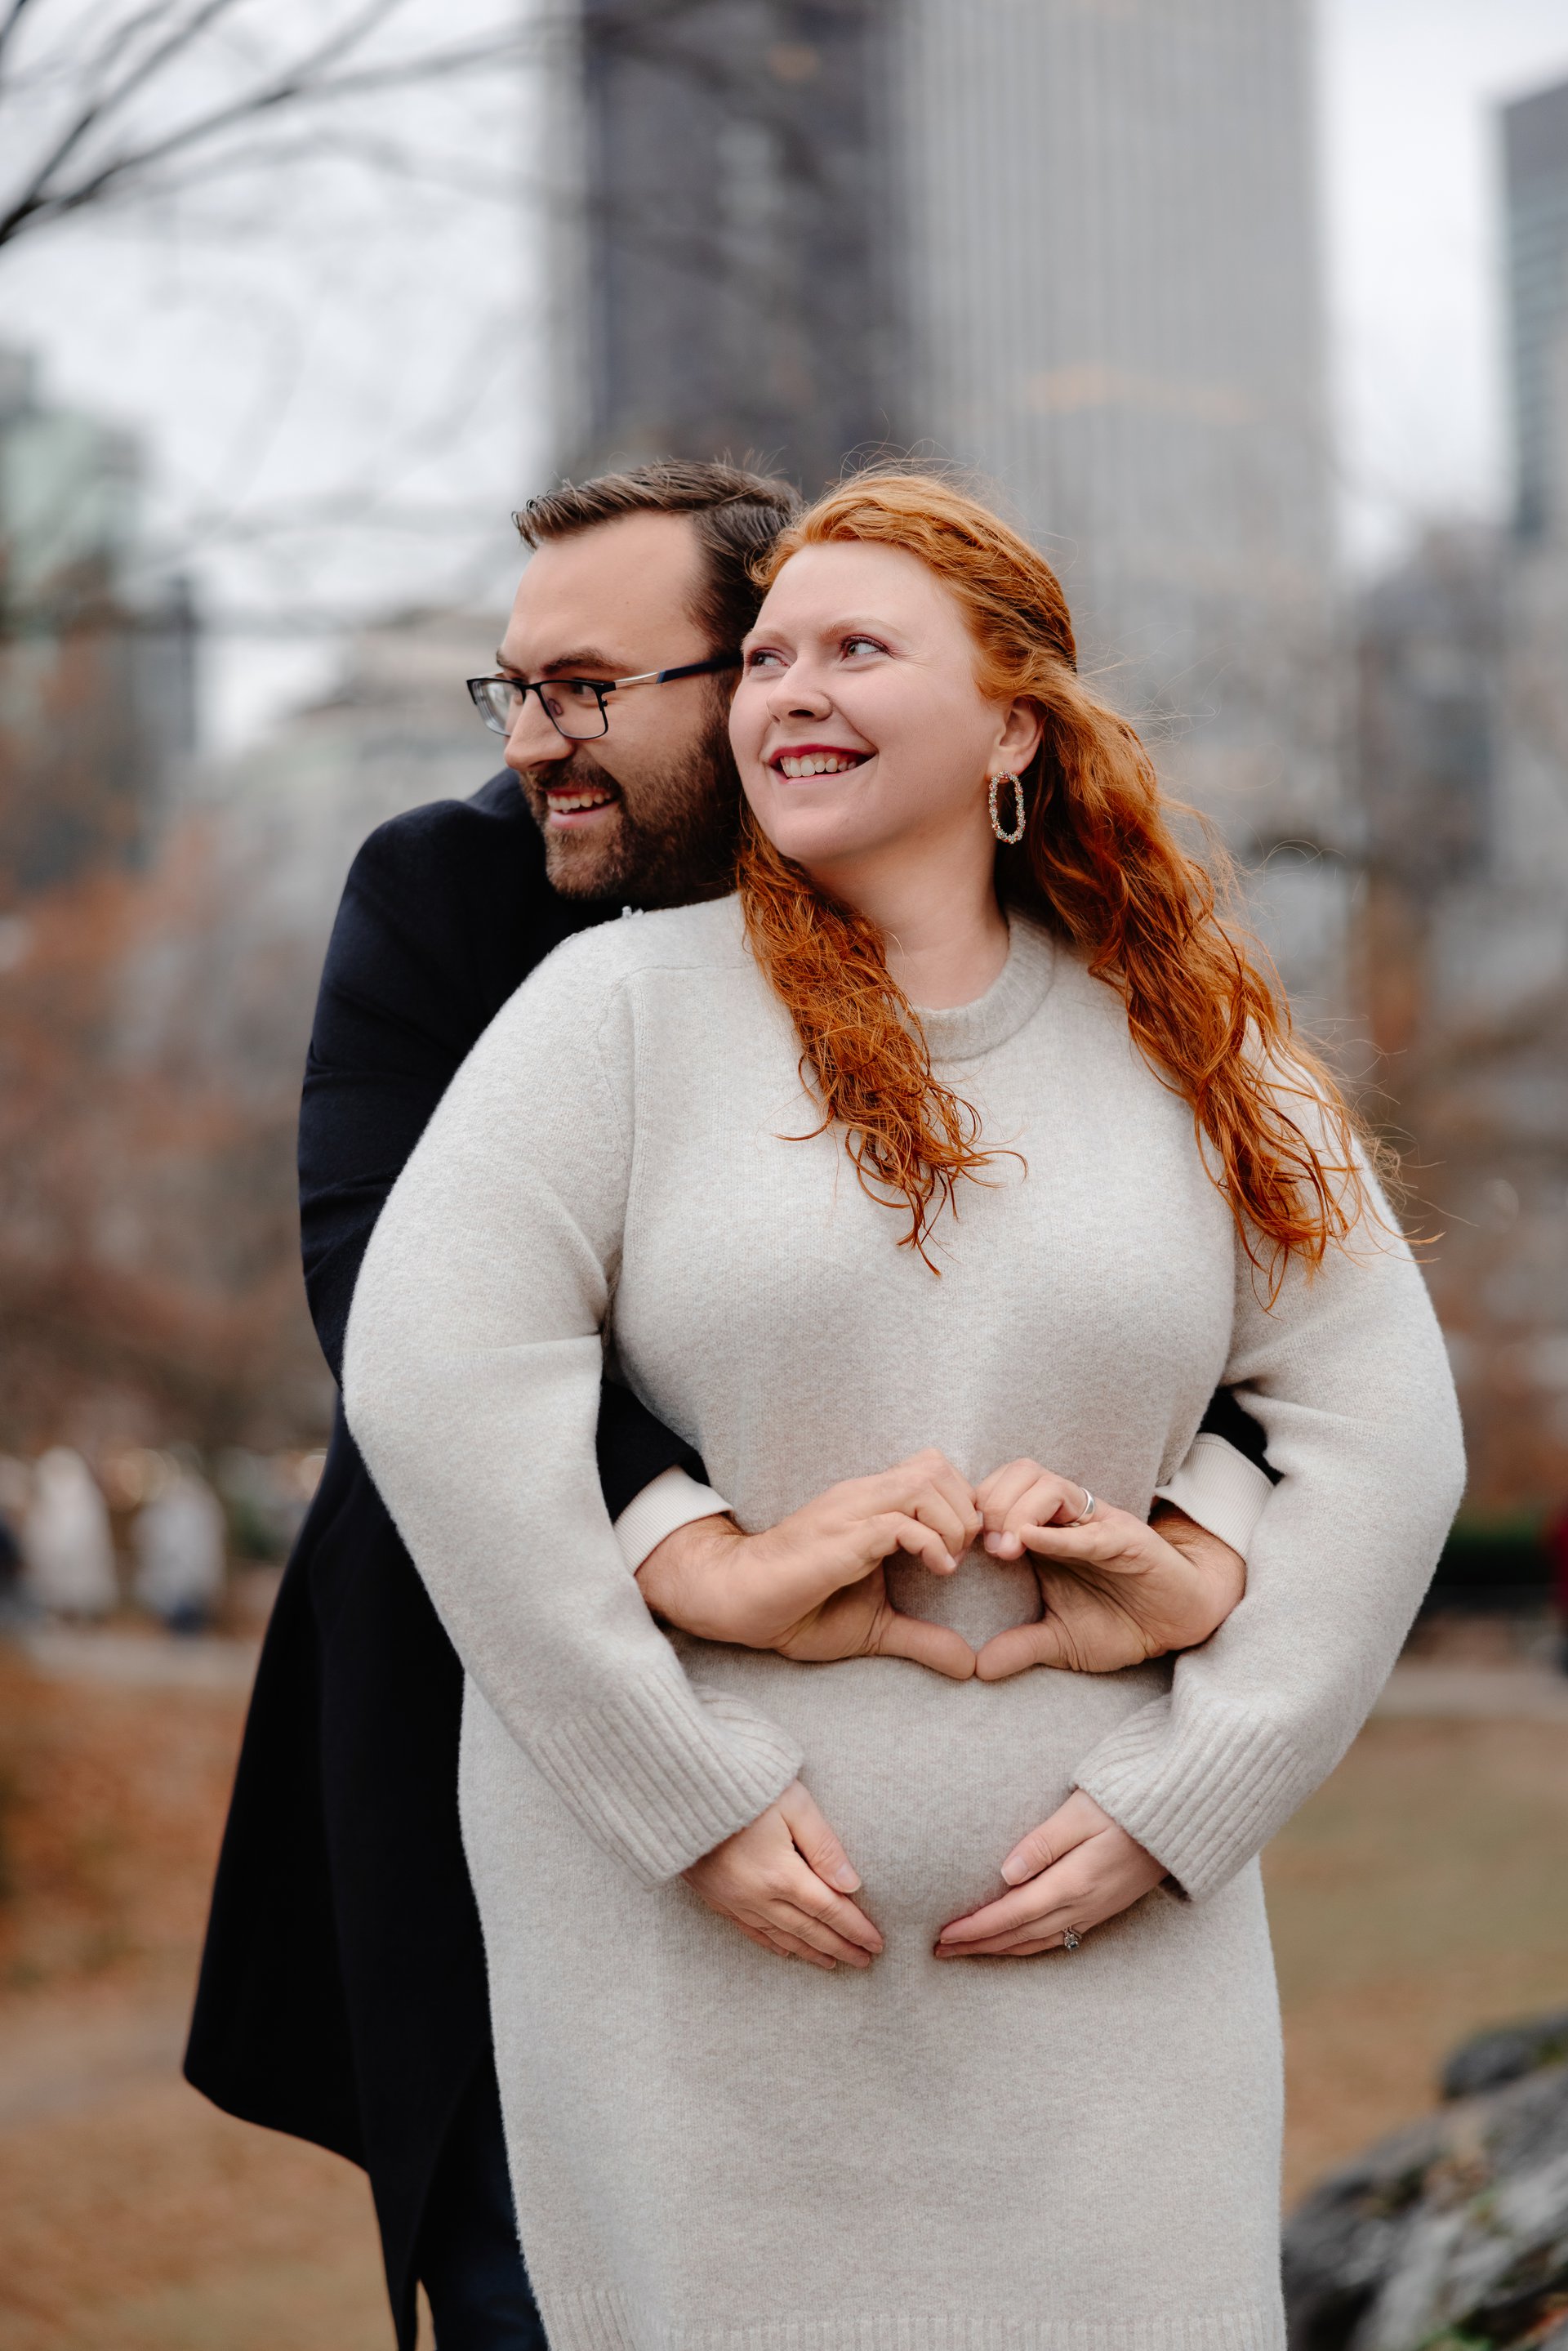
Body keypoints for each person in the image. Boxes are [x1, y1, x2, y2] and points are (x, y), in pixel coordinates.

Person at [345, 471, 1465, 2350]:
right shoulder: (616, 1013)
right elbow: (433, 1378)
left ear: (1015, 722)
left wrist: (1195, 1788)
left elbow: (1383, 1421)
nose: (792, 690)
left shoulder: (1198, 1043)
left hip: (1119, 1971)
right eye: (770, 655)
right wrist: (678, 1788)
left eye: (858, 648)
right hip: (692, 1960)